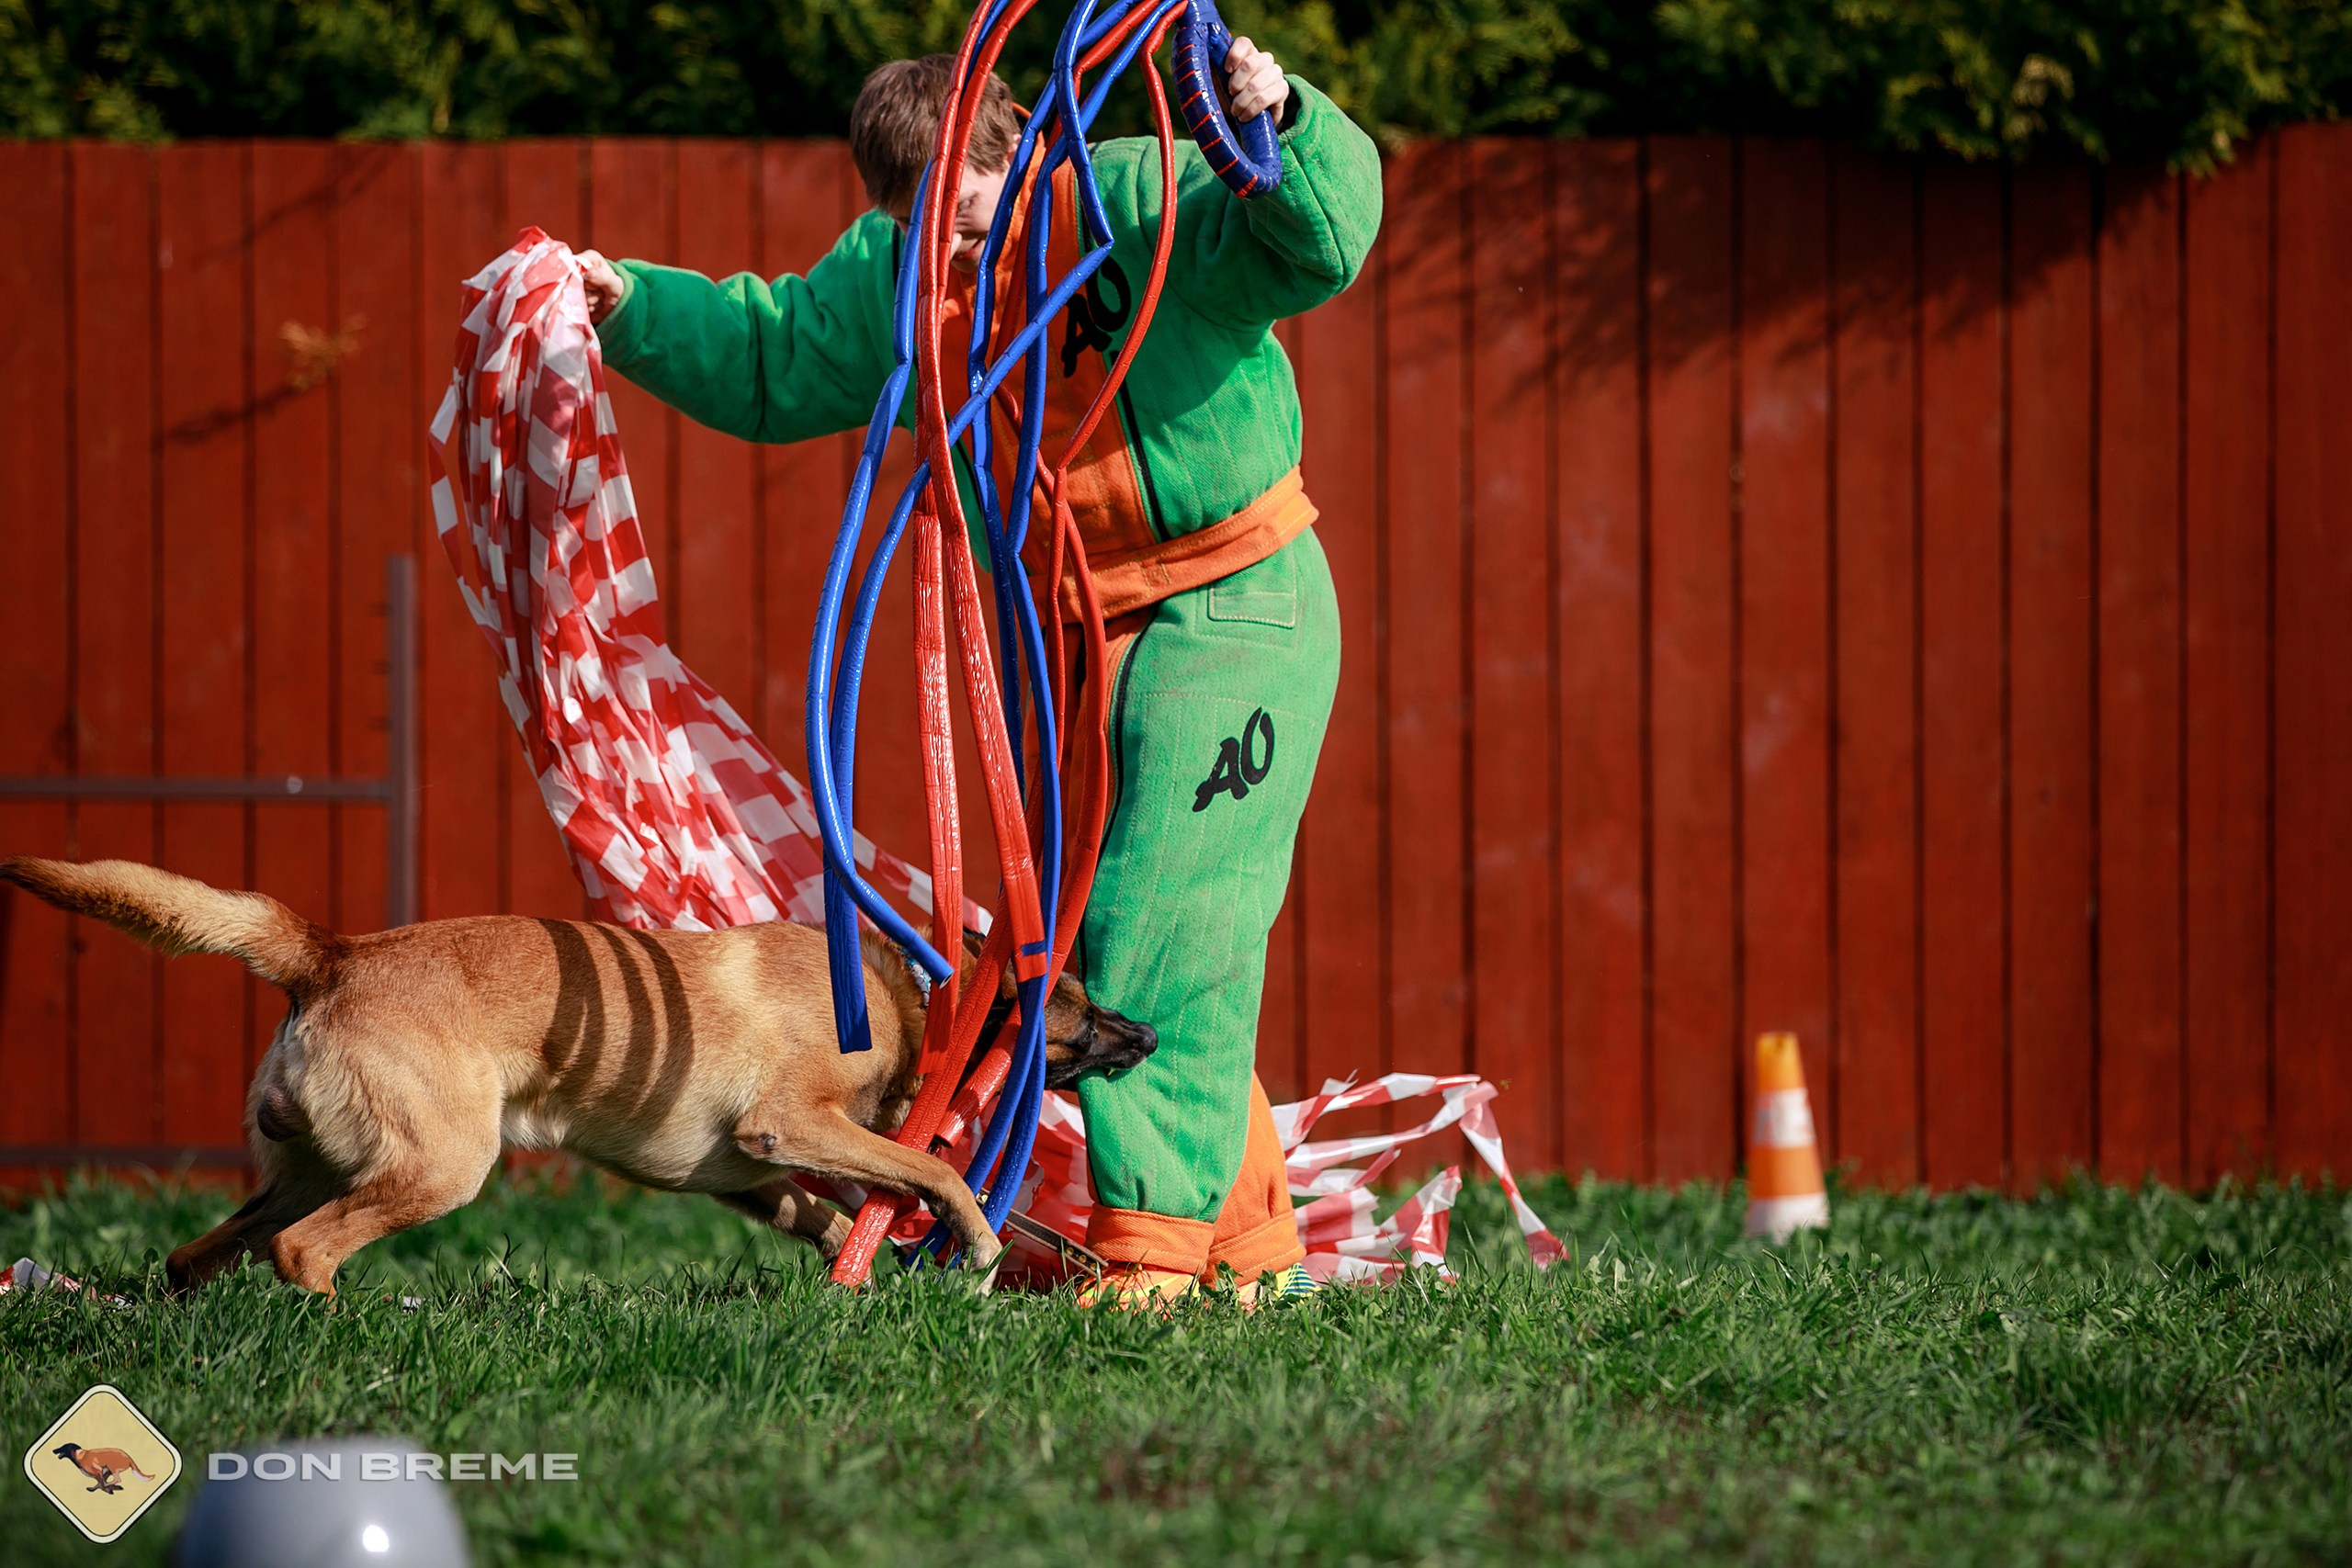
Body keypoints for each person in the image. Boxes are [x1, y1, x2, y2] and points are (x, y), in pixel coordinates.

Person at [574, 37, 1381, 1304]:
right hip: (1069, 636)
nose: (954, 257)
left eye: (969, 221)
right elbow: (779, 352)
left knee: (1149, 934)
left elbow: (1317, 244)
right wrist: (624, 302)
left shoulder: (1128, 197)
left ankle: (1152, 1267)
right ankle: (1252, 1262)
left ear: (1016, 150)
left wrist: (1280, 121)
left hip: (1232, 599)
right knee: (1116, 951)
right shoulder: (906, 275)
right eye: (922, 231)